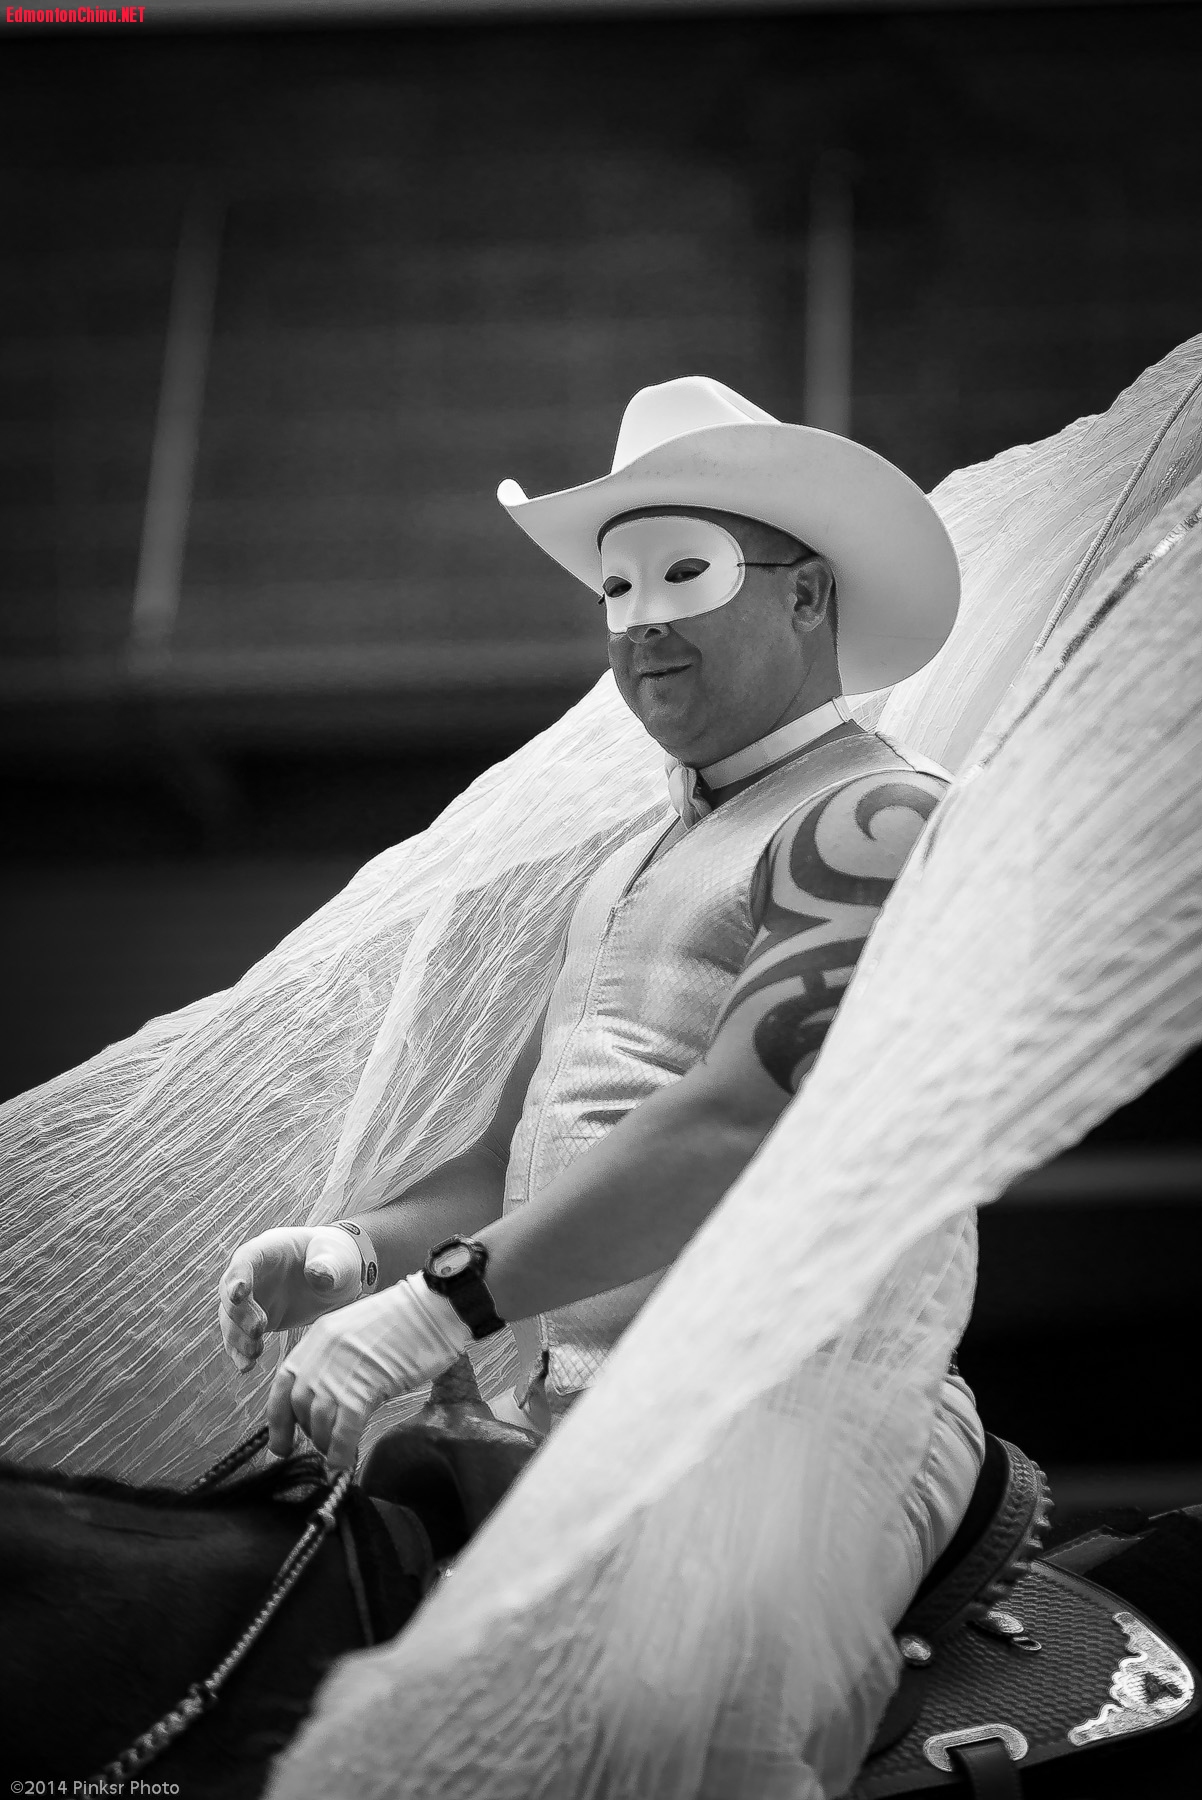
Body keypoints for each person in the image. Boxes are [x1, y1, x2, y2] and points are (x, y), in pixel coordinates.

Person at [218, 377, 986, 1593]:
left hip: (811, 1434)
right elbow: (513, 1157)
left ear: (805, 594)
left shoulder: (875, 816)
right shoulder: (632, 862)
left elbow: (741, 1119)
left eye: (683, 575)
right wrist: (350, 1257)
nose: (638, 622)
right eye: (616, 589)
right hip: (583, 1444)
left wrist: (429, 1314)